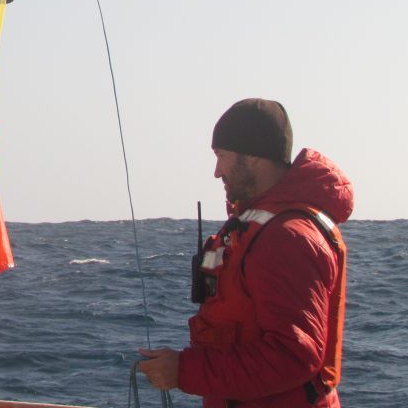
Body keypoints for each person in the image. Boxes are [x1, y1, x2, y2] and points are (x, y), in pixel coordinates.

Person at [137, 98, 354, 408]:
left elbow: (293, 356)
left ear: (253, 158)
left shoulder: (286, 237)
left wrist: (184, 370)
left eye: (222, 156)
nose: (216, 171)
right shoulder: (264, 227)